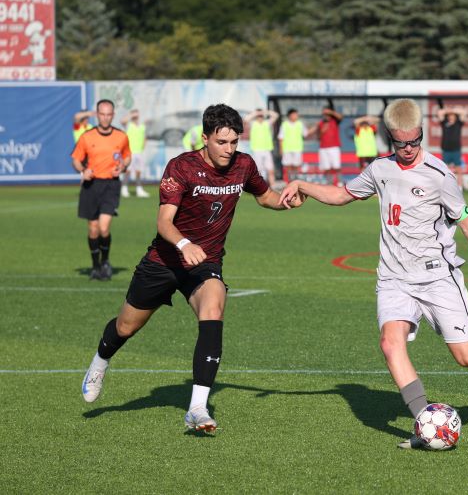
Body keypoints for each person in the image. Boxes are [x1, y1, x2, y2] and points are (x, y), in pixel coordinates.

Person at [278, 99, 468, 449]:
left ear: (422, 134)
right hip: (393, 277)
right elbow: (342, 194)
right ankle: (425, 425)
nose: (407, 149)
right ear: (389, 137)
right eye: (400, 143)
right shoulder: (379, 168)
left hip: (437, 276)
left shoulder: (440, 176)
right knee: (391, 345)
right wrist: (303, 185)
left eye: (414, 141)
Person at [79, 104, 304, 434]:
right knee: (126, 327)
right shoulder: (181, 167)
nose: (229, 149)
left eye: (234, 142)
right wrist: (185, 245)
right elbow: (164, 222)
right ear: (205, 138)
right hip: (165, 261)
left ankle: (197, 408)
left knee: (214, 308)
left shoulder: (243, 165)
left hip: (206, 262)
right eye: (222, 142)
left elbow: (265, 195)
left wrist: (285, 202)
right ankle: (100, 361)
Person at [71, 99, 131, 281]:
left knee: (104, 228)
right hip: (91, 186)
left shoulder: (121, 136)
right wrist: (83, 170)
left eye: (109, 114)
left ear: (113, 115)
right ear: (97, 115)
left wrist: (122, 167)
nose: (105, 118)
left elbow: (127, 156)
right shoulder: (87, 136)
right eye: (102, 114)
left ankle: (105, 261)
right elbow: (75, 159)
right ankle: (95, 266)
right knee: (93, 229)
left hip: (111, 185)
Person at [307, 106, 344, 186]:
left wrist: (330, 112)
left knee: (336, 166)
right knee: (326, 167)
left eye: (327, 114)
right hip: (323, 148)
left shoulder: (335, 121)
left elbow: (341, 117)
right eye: (324, 114)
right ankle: (329, 182)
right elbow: (318, 137)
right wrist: (322, 131)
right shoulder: (320, 123)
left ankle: (340, 182)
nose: (326, 116)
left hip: (334, 148)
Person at [245, 108, 279, 188]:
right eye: (258, 116)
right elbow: (246, 119)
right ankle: (258, 186)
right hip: (257, 150)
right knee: (258, 170)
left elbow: (276, 115)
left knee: (270, 169)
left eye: (261, 116)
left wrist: (264, 112)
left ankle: (273, 186)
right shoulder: (253, 123)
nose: (260, 117)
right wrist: (256, 113)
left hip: (267, 150)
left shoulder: (267, 123)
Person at [435, 106, 467, 190]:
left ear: (455, 116)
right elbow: (439, 113)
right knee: (445, 170)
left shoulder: (458, 123)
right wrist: (448, 111)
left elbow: (463, 112)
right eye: (449, 115)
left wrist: (452, 110)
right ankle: (446, 187)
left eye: (452, 115)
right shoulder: (444, 123)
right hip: (446, 150)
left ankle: (460, 188)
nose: (450, 116)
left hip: (456, 150)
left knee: (459, 169)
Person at [120, 109, 149, 198]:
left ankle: (139, 189)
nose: (136, 116)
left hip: (139, 152)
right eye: (135, 115)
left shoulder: (142, 126)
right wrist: (131, 115)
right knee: (128, 171)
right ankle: (124, 189)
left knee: (138, 171)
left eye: (137, 115)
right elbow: (122, 121)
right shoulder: (129, 125)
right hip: (130, 152)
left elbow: (144, 137)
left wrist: (143, 147)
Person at [278, 108, 308, 182]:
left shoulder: (300, 124)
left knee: (296, 165)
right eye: (294, 115)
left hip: (297, 148)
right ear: (290, 115)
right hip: (287, 149)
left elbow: (306, 134)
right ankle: (289, 180)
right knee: (288, 165)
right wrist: (281, 149)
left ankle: (295, 179)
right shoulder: (284, 124)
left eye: (296, 115)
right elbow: (281, 137)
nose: (296, 116)